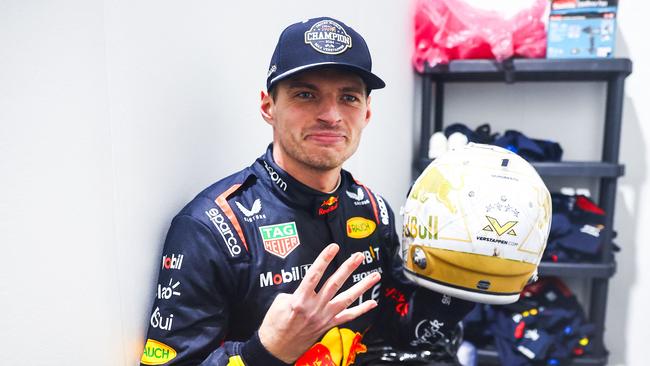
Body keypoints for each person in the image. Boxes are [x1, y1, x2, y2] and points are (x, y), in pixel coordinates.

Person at [140, 16, 475, 366]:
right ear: (268, 106)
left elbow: (396, 328)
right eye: (305, 94)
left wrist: (467, 280)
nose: (331, 115)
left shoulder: (374, 210)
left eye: (348, 97)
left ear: (367, 113)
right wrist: (265, 352)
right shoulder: (212, 227)